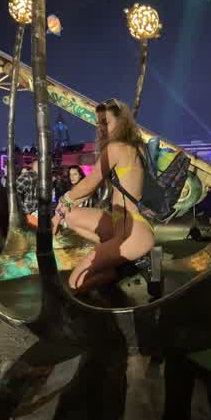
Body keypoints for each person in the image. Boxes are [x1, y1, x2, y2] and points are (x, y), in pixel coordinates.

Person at [52, 98, 155, 293]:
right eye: (98, 123)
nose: (101, 128)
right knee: (71, 216)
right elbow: (86, 192)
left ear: (122, 122)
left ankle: (125, 265)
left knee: (75, 283)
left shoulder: (117, 147)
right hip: (120, 226)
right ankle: (119, 267)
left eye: (105, 122)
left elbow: (89, 184)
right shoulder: (134, 147)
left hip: (133, 233)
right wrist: (60, 213)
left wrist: (63, 201)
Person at [16, 158, 39, 228]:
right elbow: (14, 193)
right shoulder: (28, 176)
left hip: (34, 213)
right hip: (27, 214)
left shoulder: (39, 177)